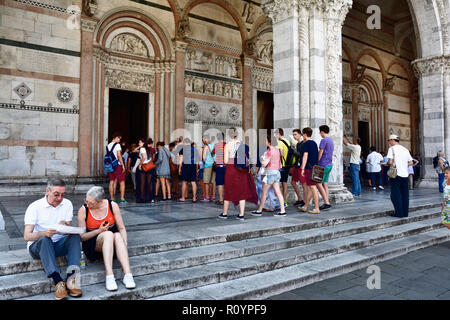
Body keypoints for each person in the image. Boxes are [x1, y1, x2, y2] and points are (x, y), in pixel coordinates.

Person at [23, 178, 82, 300]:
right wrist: (43, 233)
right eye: (56, 194)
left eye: (62, 194)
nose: (60, 198)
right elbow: (27, 236)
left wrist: (65, 227)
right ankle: (58, 282)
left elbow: (68, 228)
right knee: (45, 239)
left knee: (75, 236)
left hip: (58, 245)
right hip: (38, 247)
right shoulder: (34, 207)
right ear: (47, 191)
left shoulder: (67, 204)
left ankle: (72, 279)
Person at [78, 186, 135, 291]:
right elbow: (82, 237)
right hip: (93, 245)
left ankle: (128, 275)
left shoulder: (112, 205)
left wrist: (124, 242)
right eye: (86, 200)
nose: (87, 204)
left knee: (117, 235)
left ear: (99, 202)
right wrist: (99, 231)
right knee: (108, 234)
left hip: (112, 246)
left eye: (91, 203)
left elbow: (122, 228)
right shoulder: (83, 210)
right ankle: (109, 276)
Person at [218, 128, 258, 220]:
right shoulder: (242, 144)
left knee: (228, 190)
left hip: (231, 169)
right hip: (241, 169)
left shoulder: (227, 145)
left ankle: (224, 213)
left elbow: (225, 161)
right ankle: (241, 214)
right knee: (242, 191)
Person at [251, 134, 286, 217]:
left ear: (269, 142)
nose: (265, 142)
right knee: (278, 192)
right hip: (277, 173)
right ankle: (282, 210)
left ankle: (259, 210)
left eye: (266, 140)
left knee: (263, 192)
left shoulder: (269, 152)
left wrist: (263, 156)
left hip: (270, 174)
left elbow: (264, 164)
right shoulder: (277, 150)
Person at [387, 134, 413, 218]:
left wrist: (387, 164)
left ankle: (398, 213)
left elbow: (390, 162)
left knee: (395, 194)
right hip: (405, 175)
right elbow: (411, 162)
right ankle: (405, 213)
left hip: (396, 175)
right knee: (405, 194)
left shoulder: (391, 149)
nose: (389, 142)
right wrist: (403, 164)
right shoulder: (405, 149)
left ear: (392, 140)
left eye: (389, 140)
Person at [298, 127, 320, 214]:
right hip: (314, 167)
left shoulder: (306, 144)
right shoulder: (314, 143)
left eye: (302, 134)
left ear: (304, 134)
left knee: (313, 188)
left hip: (308, 168)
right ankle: (305, 206)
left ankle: (317, 208)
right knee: (311, 187)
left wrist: (302, 168)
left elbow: (305, 156)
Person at [107, 133, 127, 205]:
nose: (119, 140)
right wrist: (123, 165)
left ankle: (112, 198)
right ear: (115, 138)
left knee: (112, 181)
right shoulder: (117, 145)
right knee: (122, 181)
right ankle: (122, 199)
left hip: (110, 165)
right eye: (119, 138)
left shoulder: (108, 145)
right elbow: (119, 155)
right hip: (117, 165)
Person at [317, 125, 333, 210]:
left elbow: (321, 152)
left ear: (322, 131)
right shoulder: (330, 140)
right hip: (329, 164)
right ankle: (327, 201)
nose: (320, 133)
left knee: (318, 183)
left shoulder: (323, 140)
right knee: (325, 184)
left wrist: (317, 161)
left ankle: (326, 202)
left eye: (320, 132)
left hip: (323, 164)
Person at [178, 138, 199, 202]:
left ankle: (183, 197)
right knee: (193, 182)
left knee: (184, 182)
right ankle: (194, 198)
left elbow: (181, 160)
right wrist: (197, 168)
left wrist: (179, 168)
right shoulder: (195, 149)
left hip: (186, 166)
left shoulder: (182, 149)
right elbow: (197, 160)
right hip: (193, 166)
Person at [275, 128, 291, 208]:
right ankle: (284, 201)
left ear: (278, 134)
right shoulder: (287, 141)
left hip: (282, 165)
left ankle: (281, 202)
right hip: (287, 165)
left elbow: (280, 154)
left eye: (276, 134)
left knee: (279, 184)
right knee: (284, 184)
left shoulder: (281, 142)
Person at [137, 138, 155, 203]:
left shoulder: (142, 149)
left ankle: (142, 198)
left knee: (142, 182)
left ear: (143, 143)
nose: (139, 144)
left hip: (144, 166)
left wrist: (140, 164)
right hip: (150, 166)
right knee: (150, 182)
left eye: (140, 142)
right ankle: (151, 198)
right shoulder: (149, 149)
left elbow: (143, 158)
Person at [291, 129, 306, 207]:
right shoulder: (297, 144)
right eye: (293, 134)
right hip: (297, 165)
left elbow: (304, 155)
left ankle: (305, 201)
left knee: (303, 184)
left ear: (300, 134)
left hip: (302, 166)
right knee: (293, 182)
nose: (294, 136)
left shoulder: (304, 143)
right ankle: (300, 199)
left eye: (295, 134)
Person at [212, 132, 226, 205]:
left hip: (219, 166)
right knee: (227, 183)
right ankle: (227, 199)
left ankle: (221, 200)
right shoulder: (227, 145)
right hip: (227, 166)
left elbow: (212, 154)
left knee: (220, 184)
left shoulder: (217, 145)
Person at [202, 135, 216, 202]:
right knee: (213, 182)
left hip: (208, 165)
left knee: (206, 182)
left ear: (206, 140)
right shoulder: (214, 146)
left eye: (203, 139)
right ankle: (213, 196)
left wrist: (206, 161)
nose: (203, 141)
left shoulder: (206, 147)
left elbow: (204, 158)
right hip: (214, 165)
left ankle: (207, 197)